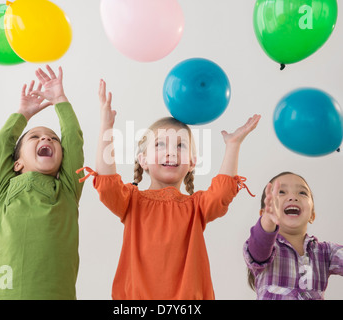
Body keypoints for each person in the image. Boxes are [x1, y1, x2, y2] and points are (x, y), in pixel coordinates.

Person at [77, 79, 260, 299]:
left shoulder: (196, 206)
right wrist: (106, 127)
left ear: (192, 162)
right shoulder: (131, 201)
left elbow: (222, 192)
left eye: (180, 146)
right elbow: (107, 183)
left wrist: (233, 145)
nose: (171, 152)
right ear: (142, 160)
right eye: (160, 144)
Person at [0, 65, 84, 300]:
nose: (46, 138)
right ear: (17, 163)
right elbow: (1, 144)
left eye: (53, 138)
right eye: (35, 136)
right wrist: (23, 114)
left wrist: (60, 100)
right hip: (7, 292)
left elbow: (73, 139)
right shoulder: (5, 187)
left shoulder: (67, 189)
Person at [244, 172, 343, 300]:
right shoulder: (268, 248)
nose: (293, 197)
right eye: (281, 192)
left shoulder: (326, 252)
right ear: (264, 213)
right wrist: (268, 221)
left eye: (302, 193)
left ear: (312, 216)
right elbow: (258, 248)